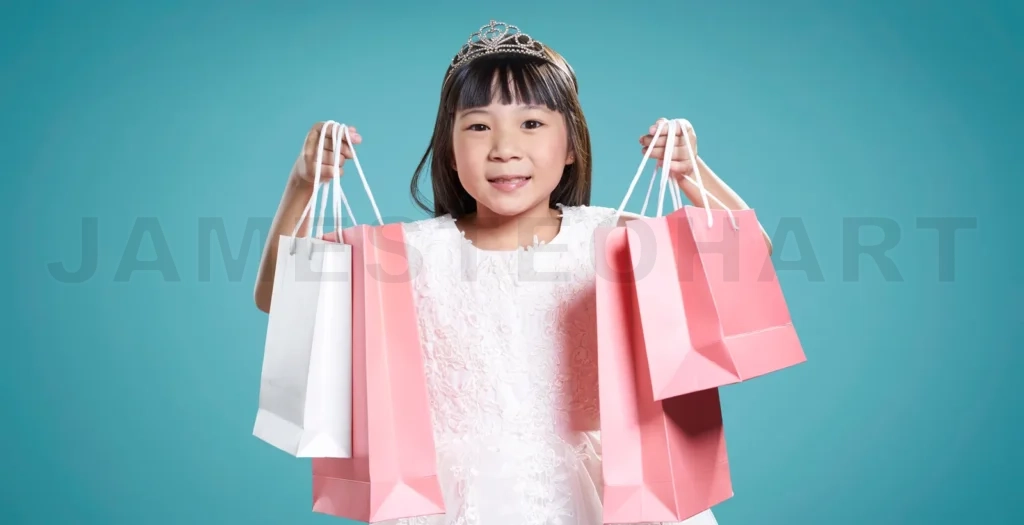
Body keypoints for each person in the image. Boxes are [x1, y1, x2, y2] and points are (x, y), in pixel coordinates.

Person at [254, 20, 771, 525]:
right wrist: (302, 186)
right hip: (447, 497)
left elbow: (749, 261)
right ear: (450, 152)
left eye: (532, 123)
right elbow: (279, 296)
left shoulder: (609, 238)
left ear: (571, 146)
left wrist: (691, 174)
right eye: (478, 126)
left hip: (596, 491)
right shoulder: (411, 251)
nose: (504, 148)